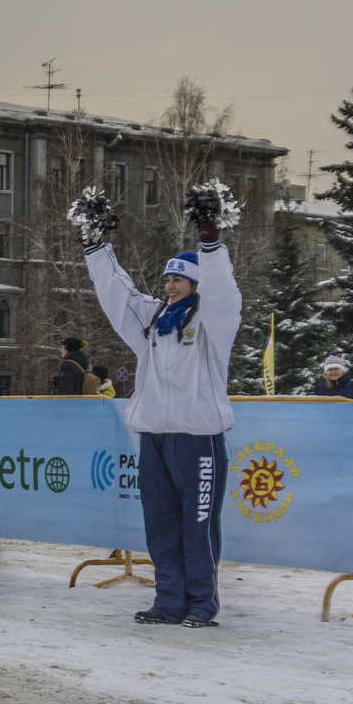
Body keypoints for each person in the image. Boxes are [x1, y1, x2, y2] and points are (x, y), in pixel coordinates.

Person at [83, 229, 241, 629]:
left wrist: (211, 244)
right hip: (154, 437)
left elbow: (225, 294)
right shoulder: (153, 321)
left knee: (199, 526)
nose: (170, 286)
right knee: (161, 524)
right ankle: (169, 601)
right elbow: (119, 295)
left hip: (198, 439)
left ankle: (201, 605)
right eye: (167, 279)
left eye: (179, 280)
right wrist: (96, 247)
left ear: (196, 283)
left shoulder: (211, 322)